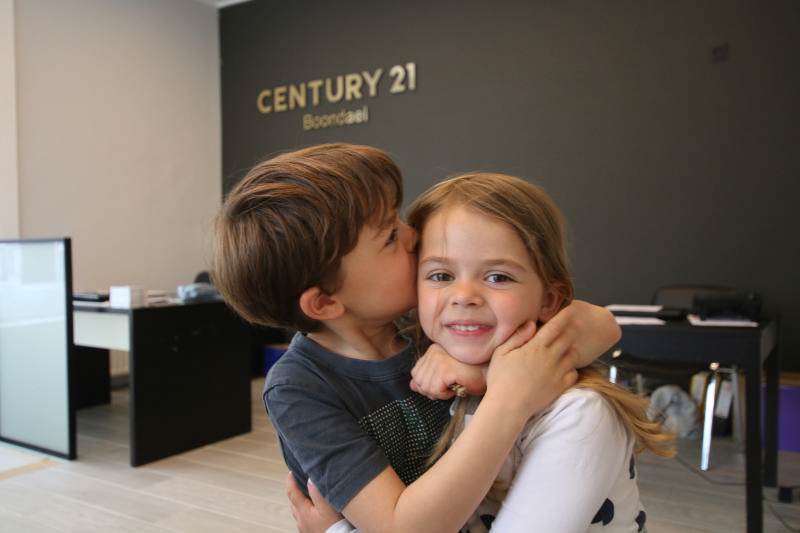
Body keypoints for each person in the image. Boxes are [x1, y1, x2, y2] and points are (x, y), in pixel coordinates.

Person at [210, 145, 621, 533]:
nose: (413, 237)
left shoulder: (424, 325)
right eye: (390, 236)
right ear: (326, 302)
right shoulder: (299, 388)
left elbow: (599, 324)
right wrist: (508, 397)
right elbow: (401, 526)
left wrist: (481, 372)